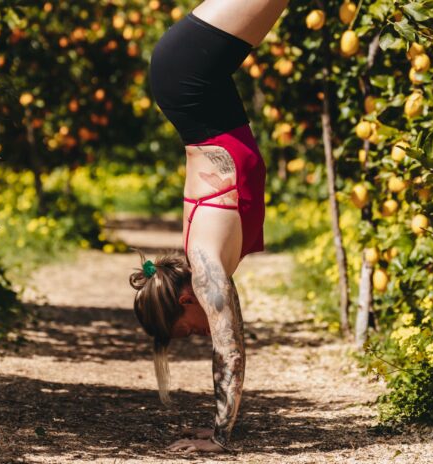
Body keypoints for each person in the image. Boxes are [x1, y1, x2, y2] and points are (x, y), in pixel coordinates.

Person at [128, 0, 288, 453]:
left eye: (188, 330)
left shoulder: (205, 266)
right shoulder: (207, 259)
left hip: (185, 78)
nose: (202, 333)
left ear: (184, 300)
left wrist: (220, 437)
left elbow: (230, 350)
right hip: (194, 88)